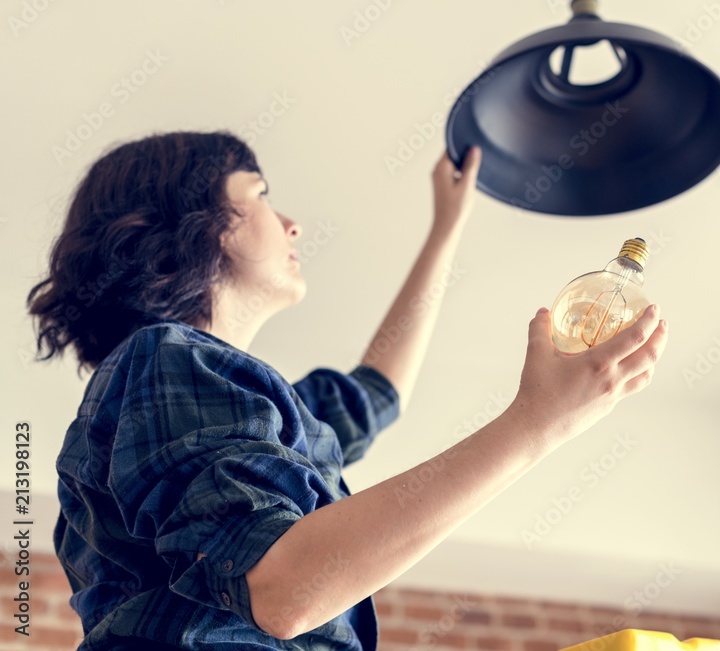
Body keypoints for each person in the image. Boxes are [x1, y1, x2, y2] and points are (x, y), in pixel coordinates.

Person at [27, 131, 668, 650]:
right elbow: (286, 588)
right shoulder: (161, 361)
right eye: (260, 196)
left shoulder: (239, 403)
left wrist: (446, 228)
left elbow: (376, 394)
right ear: (203, 221)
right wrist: (538, 424)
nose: (292, 223)